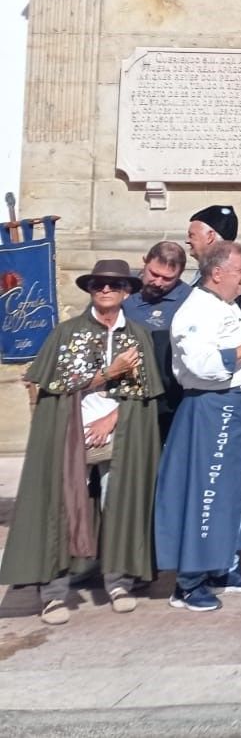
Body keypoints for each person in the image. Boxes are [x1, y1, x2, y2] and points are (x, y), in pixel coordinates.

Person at [2, 260, 162, 624]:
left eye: (114, 285)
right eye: (98, 285)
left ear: (126, 292)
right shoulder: (67, 332)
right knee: (60, 505)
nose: (105, 291)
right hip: (70, 429)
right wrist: (110, 372)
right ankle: (55, 592)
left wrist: (112, 418)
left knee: (118, 502)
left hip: (119, 431)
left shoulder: (137, 334)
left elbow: (144, 392)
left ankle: (118, 581)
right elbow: (54, 384)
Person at [155, 242, 241, 611]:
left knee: (235, 494)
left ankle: (222, 565)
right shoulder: (195, 310)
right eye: (240, 269)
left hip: (238, 407)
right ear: (217, 272)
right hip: (212, 409)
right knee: (206, 493)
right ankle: (189, 583)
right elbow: (201, 363)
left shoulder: (224, 306)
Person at [123, 241, 191, 433]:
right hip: (121, 392)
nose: (158, 282)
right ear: (145, 261)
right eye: (154, 274)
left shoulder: (189, 301)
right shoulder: (121, 287)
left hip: (164, 400)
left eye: (167, 278)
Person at [189, 204, 241, 314]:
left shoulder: (228, 275)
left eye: (191, 235)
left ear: (210, 236)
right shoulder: (207, 270)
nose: (187, 241)